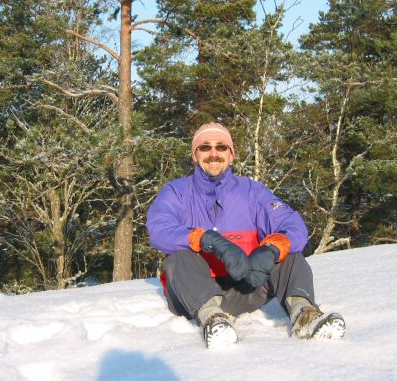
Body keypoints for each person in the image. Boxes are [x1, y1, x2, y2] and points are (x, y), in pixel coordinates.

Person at [147, 122, 345, 349]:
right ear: (195, 155)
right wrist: (204, 239)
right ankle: (213, 319)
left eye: (221, 147)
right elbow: (158, 228)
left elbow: (292, 224)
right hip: (190, 293)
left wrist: (272, 248)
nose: (214, 154)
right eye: (205, 147)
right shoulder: (176, 192)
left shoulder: (252, 191)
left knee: (290, 255)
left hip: (242, 288)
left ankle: (305, 315)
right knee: (177, 257)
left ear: (231, 155)